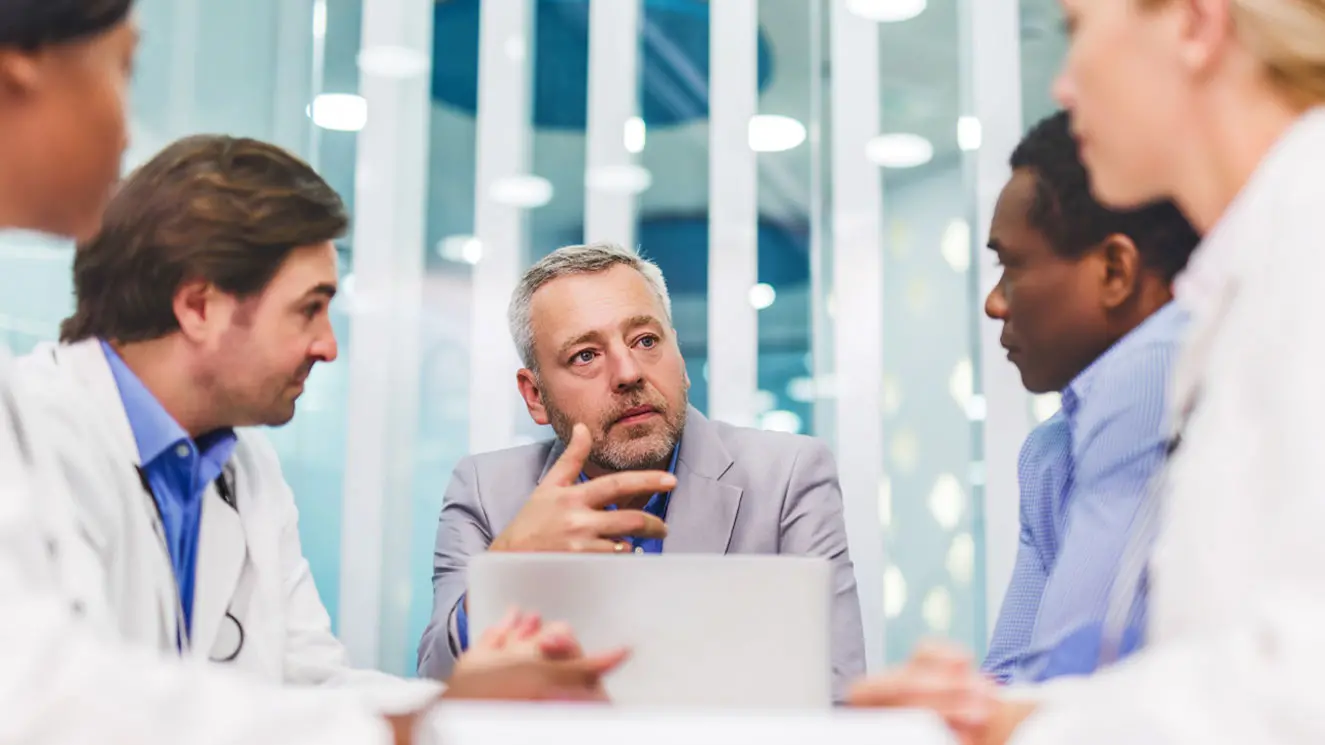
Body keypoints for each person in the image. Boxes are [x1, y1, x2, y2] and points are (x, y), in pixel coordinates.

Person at [0, 4, 620, 743]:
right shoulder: (37, 428)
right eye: (309, 309)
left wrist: (463, 696)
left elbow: (309, 682)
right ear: (199, 305)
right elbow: (48, 699)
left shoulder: (243, 470)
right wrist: (417, 718)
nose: (328, 347)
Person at [851, 1, 1325, 744]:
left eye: (1075, 29)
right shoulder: (1251, 270)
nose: (1064, 87)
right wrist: (1007, 715)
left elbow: (1298, 687)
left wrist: (1024, 723)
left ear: (1195, 25)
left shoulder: (1306, 241)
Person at [417, 242, 866, 697]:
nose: (628, 372)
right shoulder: (484, 493)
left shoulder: (789, 478)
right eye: (585, 355)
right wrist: (507, 566)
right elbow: (436, 696)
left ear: (682, 360)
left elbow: (838, 697)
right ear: (534, 396)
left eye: (646, 341)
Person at [981, 111, 1200, 684]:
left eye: (1011, 266)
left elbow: (1069, 682)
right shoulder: (1051, 449)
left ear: (1114, 271)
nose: (994, 304)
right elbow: (1012, 678)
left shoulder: (1153, 368)